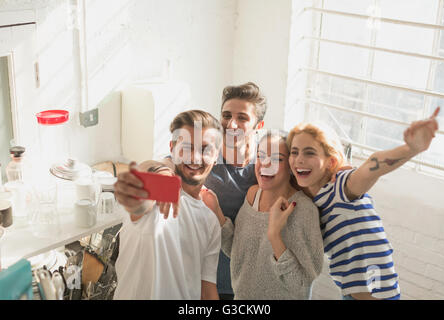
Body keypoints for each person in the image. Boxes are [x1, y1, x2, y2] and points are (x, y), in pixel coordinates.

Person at [286, 107, 440, 300]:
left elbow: (372, 166)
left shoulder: (340, 187)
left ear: (330, 161)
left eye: (309, 153)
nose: (299, 159)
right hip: (349, 294)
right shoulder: (309, 203)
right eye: (294, 152)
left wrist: (411, 149)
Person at [158, 82, 267, 299]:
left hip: (247, 283)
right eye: (226, 115)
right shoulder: (205, 158)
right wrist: (162, 175)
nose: (231, 124)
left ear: (259, 125)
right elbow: (165, 164)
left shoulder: (265, 167)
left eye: (242, 118)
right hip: (201, 278)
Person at [113, 110, 223, 300]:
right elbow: (142, 175)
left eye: (205, 149)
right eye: (187, 147)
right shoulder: (155, 194)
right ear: (172, 148)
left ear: (216, 156)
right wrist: (161, 173)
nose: (196, 158)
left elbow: (207, 291)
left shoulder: (210, 220)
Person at [201, 130, 324, 299]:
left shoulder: (304, 210)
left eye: (277, 159)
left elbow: (301, 285)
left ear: (290, 165)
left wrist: (275, 236)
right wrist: (216, 211)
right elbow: (237, 253)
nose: (266, 164)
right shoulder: (253, 195)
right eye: (261, 156)